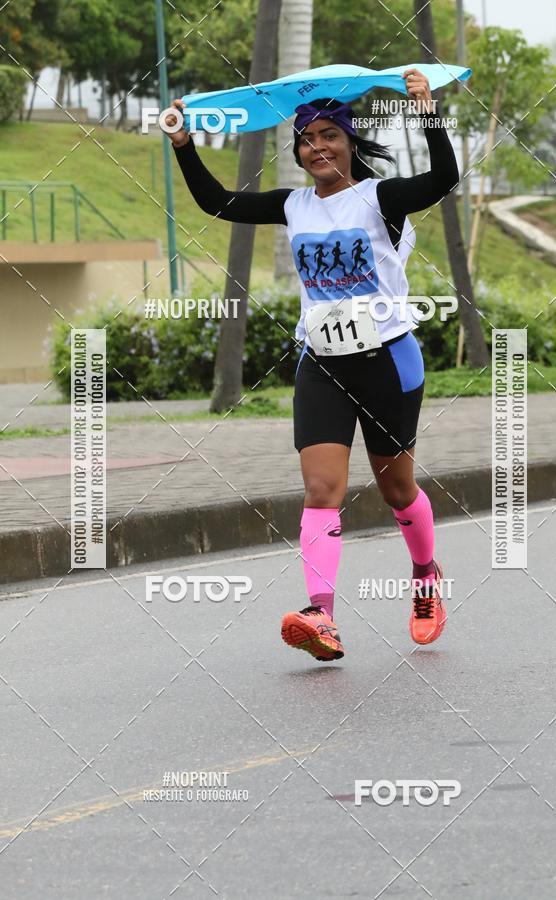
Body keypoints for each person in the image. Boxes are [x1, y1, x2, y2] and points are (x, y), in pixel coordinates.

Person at [163, 69, 458, 663]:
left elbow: (444, 177)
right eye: (306, 139)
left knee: (397, 489)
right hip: (321, 362)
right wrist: (184, 145)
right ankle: (321, 614)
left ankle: (426, 578)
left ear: (349, 142)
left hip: (387, 361)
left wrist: (426, 111)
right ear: (297, 151)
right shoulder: (294, 206)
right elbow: (218, 203)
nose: (317, 146)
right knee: (321, 489)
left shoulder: (381, 198)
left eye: (329, 135)